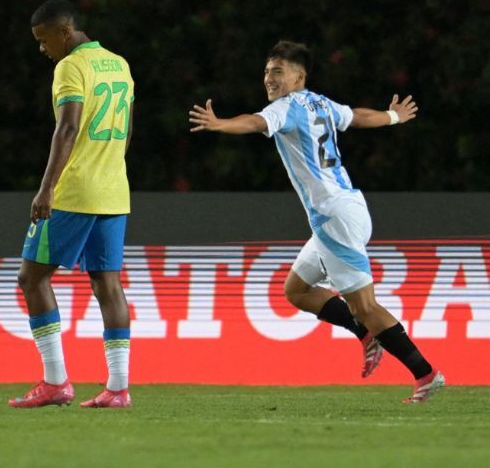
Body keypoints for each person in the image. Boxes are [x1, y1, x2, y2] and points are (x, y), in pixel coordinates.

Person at [188, 39, 443, 403]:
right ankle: (366, 333)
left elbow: (256, 122)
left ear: (298, 78)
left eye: (278, 72)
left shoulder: (286, 108)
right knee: (297, 291)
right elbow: (356, 116)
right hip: (344, 209)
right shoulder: (321, 103)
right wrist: (392, 117)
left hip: (334, 217)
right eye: (266, 71)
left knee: (365, 306)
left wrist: (219, 124)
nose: (269, 78)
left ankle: (426, 373)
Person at [9, 0, 136, 410]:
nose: (42, 49)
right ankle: (118, 389)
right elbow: (128, 129)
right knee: (107, 284)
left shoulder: (71, 67)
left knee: (31, 278)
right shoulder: (119, 64)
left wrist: (46, 188)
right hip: (114, 190)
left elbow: (68, 127)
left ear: (64, 32)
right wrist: (109, 167)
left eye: (43, 40)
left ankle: (55, 381)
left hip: (75, 190)